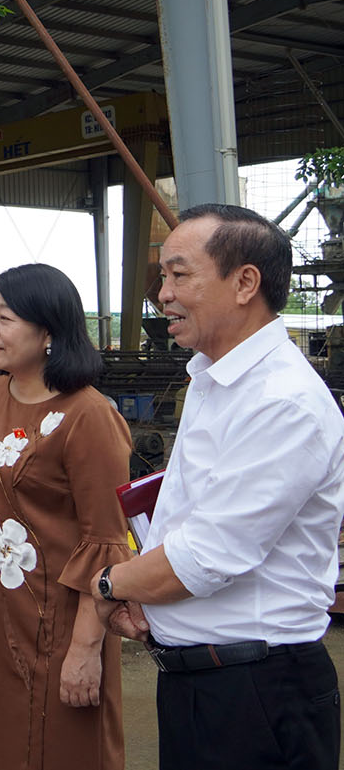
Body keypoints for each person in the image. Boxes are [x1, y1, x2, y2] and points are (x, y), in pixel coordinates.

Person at [89, 204, 344, 770]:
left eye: (180, 275)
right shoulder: (214, 380)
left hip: (257, 692)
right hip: (202, 681)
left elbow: (205, 556)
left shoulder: (282, 401)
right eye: (163, 277)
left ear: (245, 282)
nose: (163, 294)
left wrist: (108, 583)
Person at [0, 263, 133, 770]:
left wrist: (86, 649)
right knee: (3, 744)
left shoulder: (88, 415)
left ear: (48, 331)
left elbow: (108, 542)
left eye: (6, 317)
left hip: (68, 621)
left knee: (67, 748)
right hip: (3, 613)